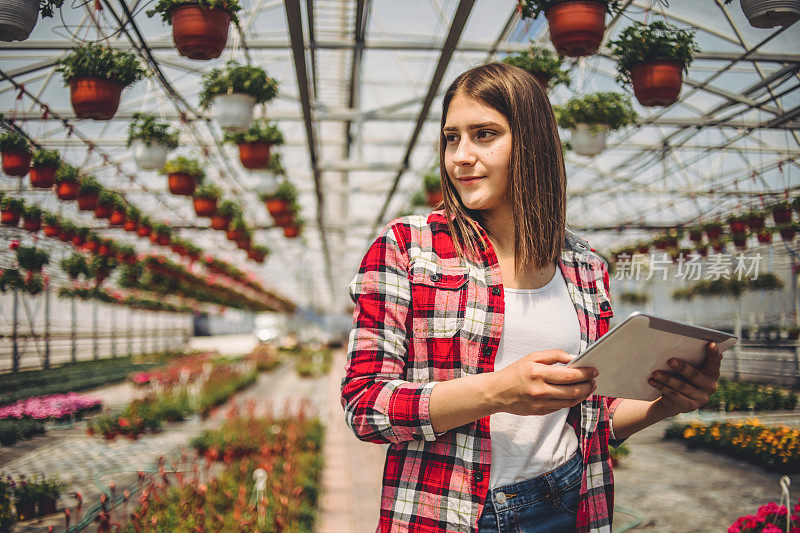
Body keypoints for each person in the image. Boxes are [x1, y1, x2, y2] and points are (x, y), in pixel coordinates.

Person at [341, 62, 722, 533]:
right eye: (451, 138)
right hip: (449, 513)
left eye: (484, 134)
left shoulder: (584, 266)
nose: (460, 156)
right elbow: (365, 405)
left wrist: (663, 405)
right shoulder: (408, 248)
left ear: (532, 144)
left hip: (566, 500)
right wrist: (496, 392)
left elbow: (592, 417)